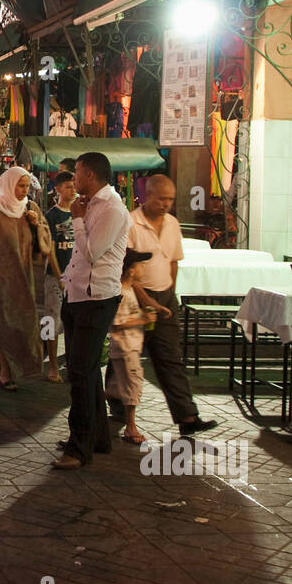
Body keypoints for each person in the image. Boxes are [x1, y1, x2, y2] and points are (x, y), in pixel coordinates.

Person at [53, 152, 132, 470]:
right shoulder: (92, 205)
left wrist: (75, 218)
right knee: (84, 371)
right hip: (77, 295)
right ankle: (97, 437)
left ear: (91, 175)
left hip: (96, 299)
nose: (73, 181)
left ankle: (79, 445)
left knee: (80, 372)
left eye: (78, 174)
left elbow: (92, 252)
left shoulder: (111, 208)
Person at [128, 174, 218, 437]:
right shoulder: (132, 224)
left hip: (165, 297)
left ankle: (187, 416)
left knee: (170, 358)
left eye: (170, 199)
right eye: (161, 198)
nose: (166, 204)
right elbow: (126, 269)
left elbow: (174, 261)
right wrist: (144, 300)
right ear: (147, 197)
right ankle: (119, 405)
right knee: (126, 357)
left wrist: (171, 293)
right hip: (137, 297)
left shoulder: (172, 224)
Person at [0, 165, 51, 391]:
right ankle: (5, 371)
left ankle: (23, 366)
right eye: (20, 185)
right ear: (9, 185)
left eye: (26, 186)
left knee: (25, 324)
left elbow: (45, 242)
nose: (24, 190)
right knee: (3, 325)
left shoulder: (30, 209)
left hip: (26, 279)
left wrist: (36, 226)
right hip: (0, 280)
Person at [104, 249, 156, 445]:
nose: (144, 269)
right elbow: (117, 322)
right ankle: (131, 427)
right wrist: (142, 319)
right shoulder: (122, 293)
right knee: (133, 387)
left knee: (119, 386)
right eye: (141, 266)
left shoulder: (128, 289)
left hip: (127, 347)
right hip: (126, 347)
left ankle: (98, 399)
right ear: (131, 271)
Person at [42, 170, 76, 383]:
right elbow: (50, 250)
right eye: (68, 187)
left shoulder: (82, 212)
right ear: (58, 189)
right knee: (50, 321)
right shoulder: (51, 216)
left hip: (77, 278)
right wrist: (59, 275)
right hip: (55, 278)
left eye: (74, 186)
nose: (72, 190)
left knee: (72, 321)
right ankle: (52, 365)